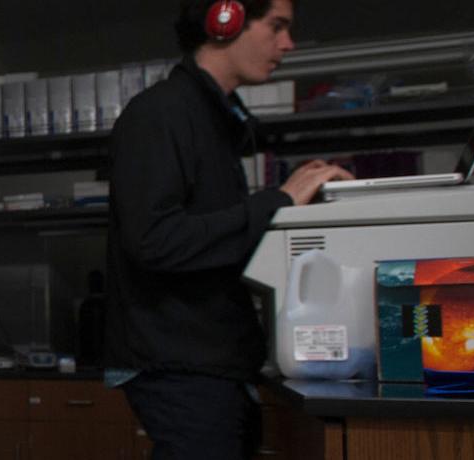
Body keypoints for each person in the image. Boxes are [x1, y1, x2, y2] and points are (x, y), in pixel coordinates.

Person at [104, 0, 353, 458]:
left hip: (213, 365)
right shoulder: (161, 113)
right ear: (226, 20)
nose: (288, 44)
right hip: (179, 367)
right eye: (276, 26)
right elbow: (155, 241)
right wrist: (277, 201)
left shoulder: (214, 119)